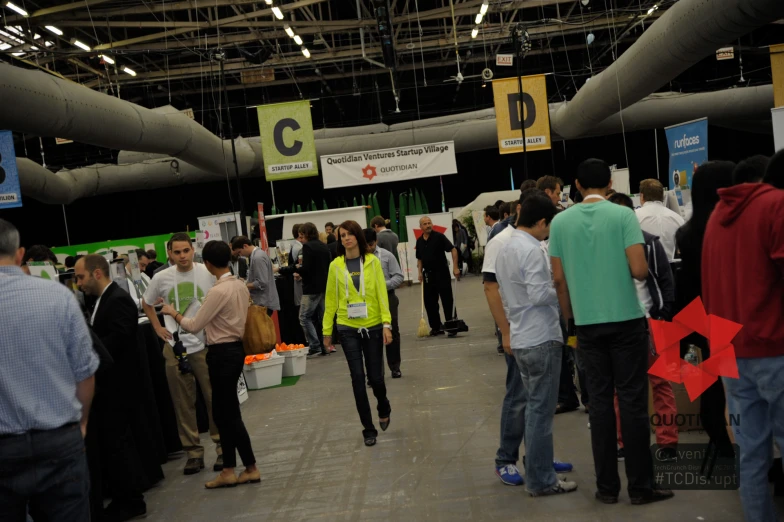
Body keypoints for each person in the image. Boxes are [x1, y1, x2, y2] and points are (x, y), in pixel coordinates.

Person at [549, 158, 673, 505]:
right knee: (633, 402)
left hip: (587, 325)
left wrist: (572, 318)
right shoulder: (623, 216)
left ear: (575, 184)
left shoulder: (560, 222)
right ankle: (641, 487)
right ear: (610, 185)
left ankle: (606, 488)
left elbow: (558, 280)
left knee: (600, 404)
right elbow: (637, 269)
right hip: (627, 322)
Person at [0, 218, 99, 521]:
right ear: (20, 255)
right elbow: (84, 372)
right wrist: (81, 424)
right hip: (59, 440)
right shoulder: (58, 297)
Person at [701, 167, 784, 522]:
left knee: (750, 454)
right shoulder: (776, 206)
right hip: (774, 348)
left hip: (731, 350)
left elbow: (708, 287)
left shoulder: (717, 215)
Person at [495, 193, 578, 497]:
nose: (549, 232)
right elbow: (538, 294)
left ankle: (537, 466)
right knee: (540, 413)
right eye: (549, 225)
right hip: (540, 337)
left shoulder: (506, 248)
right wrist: (563, 287)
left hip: (521, 336)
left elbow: (507, 293)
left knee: (533, 409)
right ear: (541, 222)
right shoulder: (530, 250)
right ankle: (542, 479)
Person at [161, 240, 260, 489]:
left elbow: (194, 325)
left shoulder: (218, 291)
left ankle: (248, 467)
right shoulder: (238, 284)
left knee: (227, 414)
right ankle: (233, 468)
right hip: (233, 351)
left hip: (222, 354)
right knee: (226, 413)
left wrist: (173, 313)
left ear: (206, 263)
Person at [74, 254, 150, 521]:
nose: (78, 283)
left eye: (80, 277)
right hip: (111, 387)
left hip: (118, 387)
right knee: (116, 445)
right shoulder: (104, 300)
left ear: (96, 274)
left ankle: (130, 500)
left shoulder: (117, 300)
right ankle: (125, 497)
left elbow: (116, 341)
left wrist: (85, 353)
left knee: (119, 445)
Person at [141, 232, 222, 476]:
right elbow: (146, 302)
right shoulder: (161, 277)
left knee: (213, 399)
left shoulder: (207, 273)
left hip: (205, 344)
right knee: (182, 403)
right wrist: (157, 327)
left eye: (185, 250)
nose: (182, 256)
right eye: (177, 252)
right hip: (175, 347)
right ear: (169, 254)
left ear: (192, 249)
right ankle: (193, 454)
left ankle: (221, 448)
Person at [608, 193, 678, 462]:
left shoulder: (649, 243)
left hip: (651, 321)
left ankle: (668, 442)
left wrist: (663, 314)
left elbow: (665, 279)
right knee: (622, 387)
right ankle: (625, 442)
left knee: (659, 383)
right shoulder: (605, 246)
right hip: (620, 323)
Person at [675, 161, 736, 461]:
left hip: (692, 315)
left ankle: (721, 444)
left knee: (705, 384)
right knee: (734, 386)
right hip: (725, 313)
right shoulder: (728, 227)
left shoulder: (686, 233)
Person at [323, 221, 393, 447]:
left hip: (373, 325)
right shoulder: (335, 265)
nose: (346, 238)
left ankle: (383, 405)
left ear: (358, 237)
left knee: (376, 378)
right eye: (342, 235)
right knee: (357, 379)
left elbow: (382, 293)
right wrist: (327, 331)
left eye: (350, 234)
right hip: (346, 326)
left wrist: (386, 324)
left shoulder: (372, 262)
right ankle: (368, 428)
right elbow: (330, 299)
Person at [276, 223, 332, 357]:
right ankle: (324, 346)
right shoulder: (323, 246)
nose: (300, 239)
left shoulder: (307, 247)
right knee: (321, 318)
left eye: (301, 236)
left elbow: (305, 268)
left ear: (306, 234)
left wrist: (285, 270)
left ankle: (314, 345)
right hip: (324, 287)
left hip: (311, 288)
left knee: (304, 317)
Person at [364, 228, 404, 378]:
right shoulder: (357, 259)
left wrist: (381, 285)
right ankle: (374, 372)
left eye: (371, 244)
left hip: (387, 297)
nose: (368, 248)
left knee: (392, 331)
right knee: (370, 335)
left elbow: (399, 276)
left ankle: (395, 366)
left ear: (376, 241)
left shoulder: (387, 256)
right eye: (365, 245)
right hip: (366, 301)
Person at [416, 216, 462, 336]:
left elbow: (453, 249)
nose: (428, 225)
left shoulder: (439, 237)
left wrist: (455, 267)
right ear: (421, 227)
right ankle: (436, 327)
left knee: (447, 300)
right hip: (428, 275)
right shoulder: (419, 241)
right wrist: (419, 272)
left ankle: (452, 326)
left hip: (441, 273)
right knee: (429, 302)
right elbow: (419, 258)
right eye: (425, 224)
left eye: (429, 223)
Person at [636, 179, 684, 261]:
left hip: (645, 269)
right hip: (672, 270)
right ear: (663, 196)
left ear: (642, 196)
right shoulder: (678, 218)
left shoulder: (634, 217)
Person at [231, 236, 280, 315]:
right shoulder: (257, 255)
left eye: (240, 252)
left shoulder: (258, 257)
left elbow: (262, 282)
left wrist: (244, 285)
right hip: (263, 301)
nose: (240, 255)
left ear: (245, 246)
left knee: (261, 327)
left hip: (263, 303)